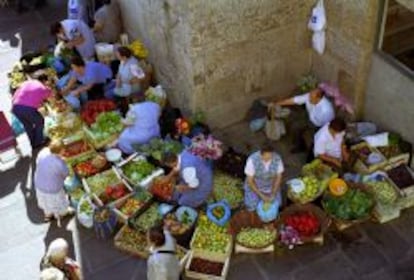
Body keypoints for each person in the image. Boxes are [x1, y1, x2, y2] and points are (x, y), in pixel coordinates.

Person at [273, 87, 335, 153]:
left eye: (311, 98)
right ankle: (298, 142)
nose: (309, 98)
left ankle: (300, 147)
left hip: (317, 125)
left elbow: (328, 125)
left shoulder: (326, 110)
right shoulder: (310, 96)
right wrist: (277, 103)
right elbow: (294, 100)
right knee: (293, 121)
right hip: (309, 116)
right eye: (310, 95)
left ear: (319, 98)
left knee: (296, 127)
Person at [34, 140, 73, 225]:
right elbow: (65, 174)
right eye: (63, 150)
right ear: (60, 151)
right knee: (58, 201)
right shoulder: (59, 163)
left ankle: (48, 215)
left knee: (45, 202)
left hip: (39, 184)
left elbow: (38, 163)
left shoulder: (43, 152)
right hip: (53, 188)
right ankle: (62, 213)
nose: (65, 151)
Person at [12, 75, 53, 148]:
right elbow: (51, 96)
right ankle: (38, 142)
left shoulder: (28, 82)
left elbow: (19, 93)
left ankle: (33, 143)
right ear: (44, 81)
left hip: (15, 106)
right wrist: (49, 88)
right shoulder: (42, 88)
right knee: (40, 121)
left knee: (28, 125)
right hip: (27, 108)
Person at [243, 144, 284, 212]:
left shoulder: (277, 158)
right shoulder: (252, 160)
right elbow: (250, 181)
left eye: (271, 156)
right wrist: (261, 195)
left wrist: (273, 193)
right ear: (261, 154)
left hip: (271, 184)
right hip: (256, 185)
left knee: (277, 204)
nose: (269, 159)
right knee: (252, 206)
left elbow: (279, 177)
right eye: (266, 158)